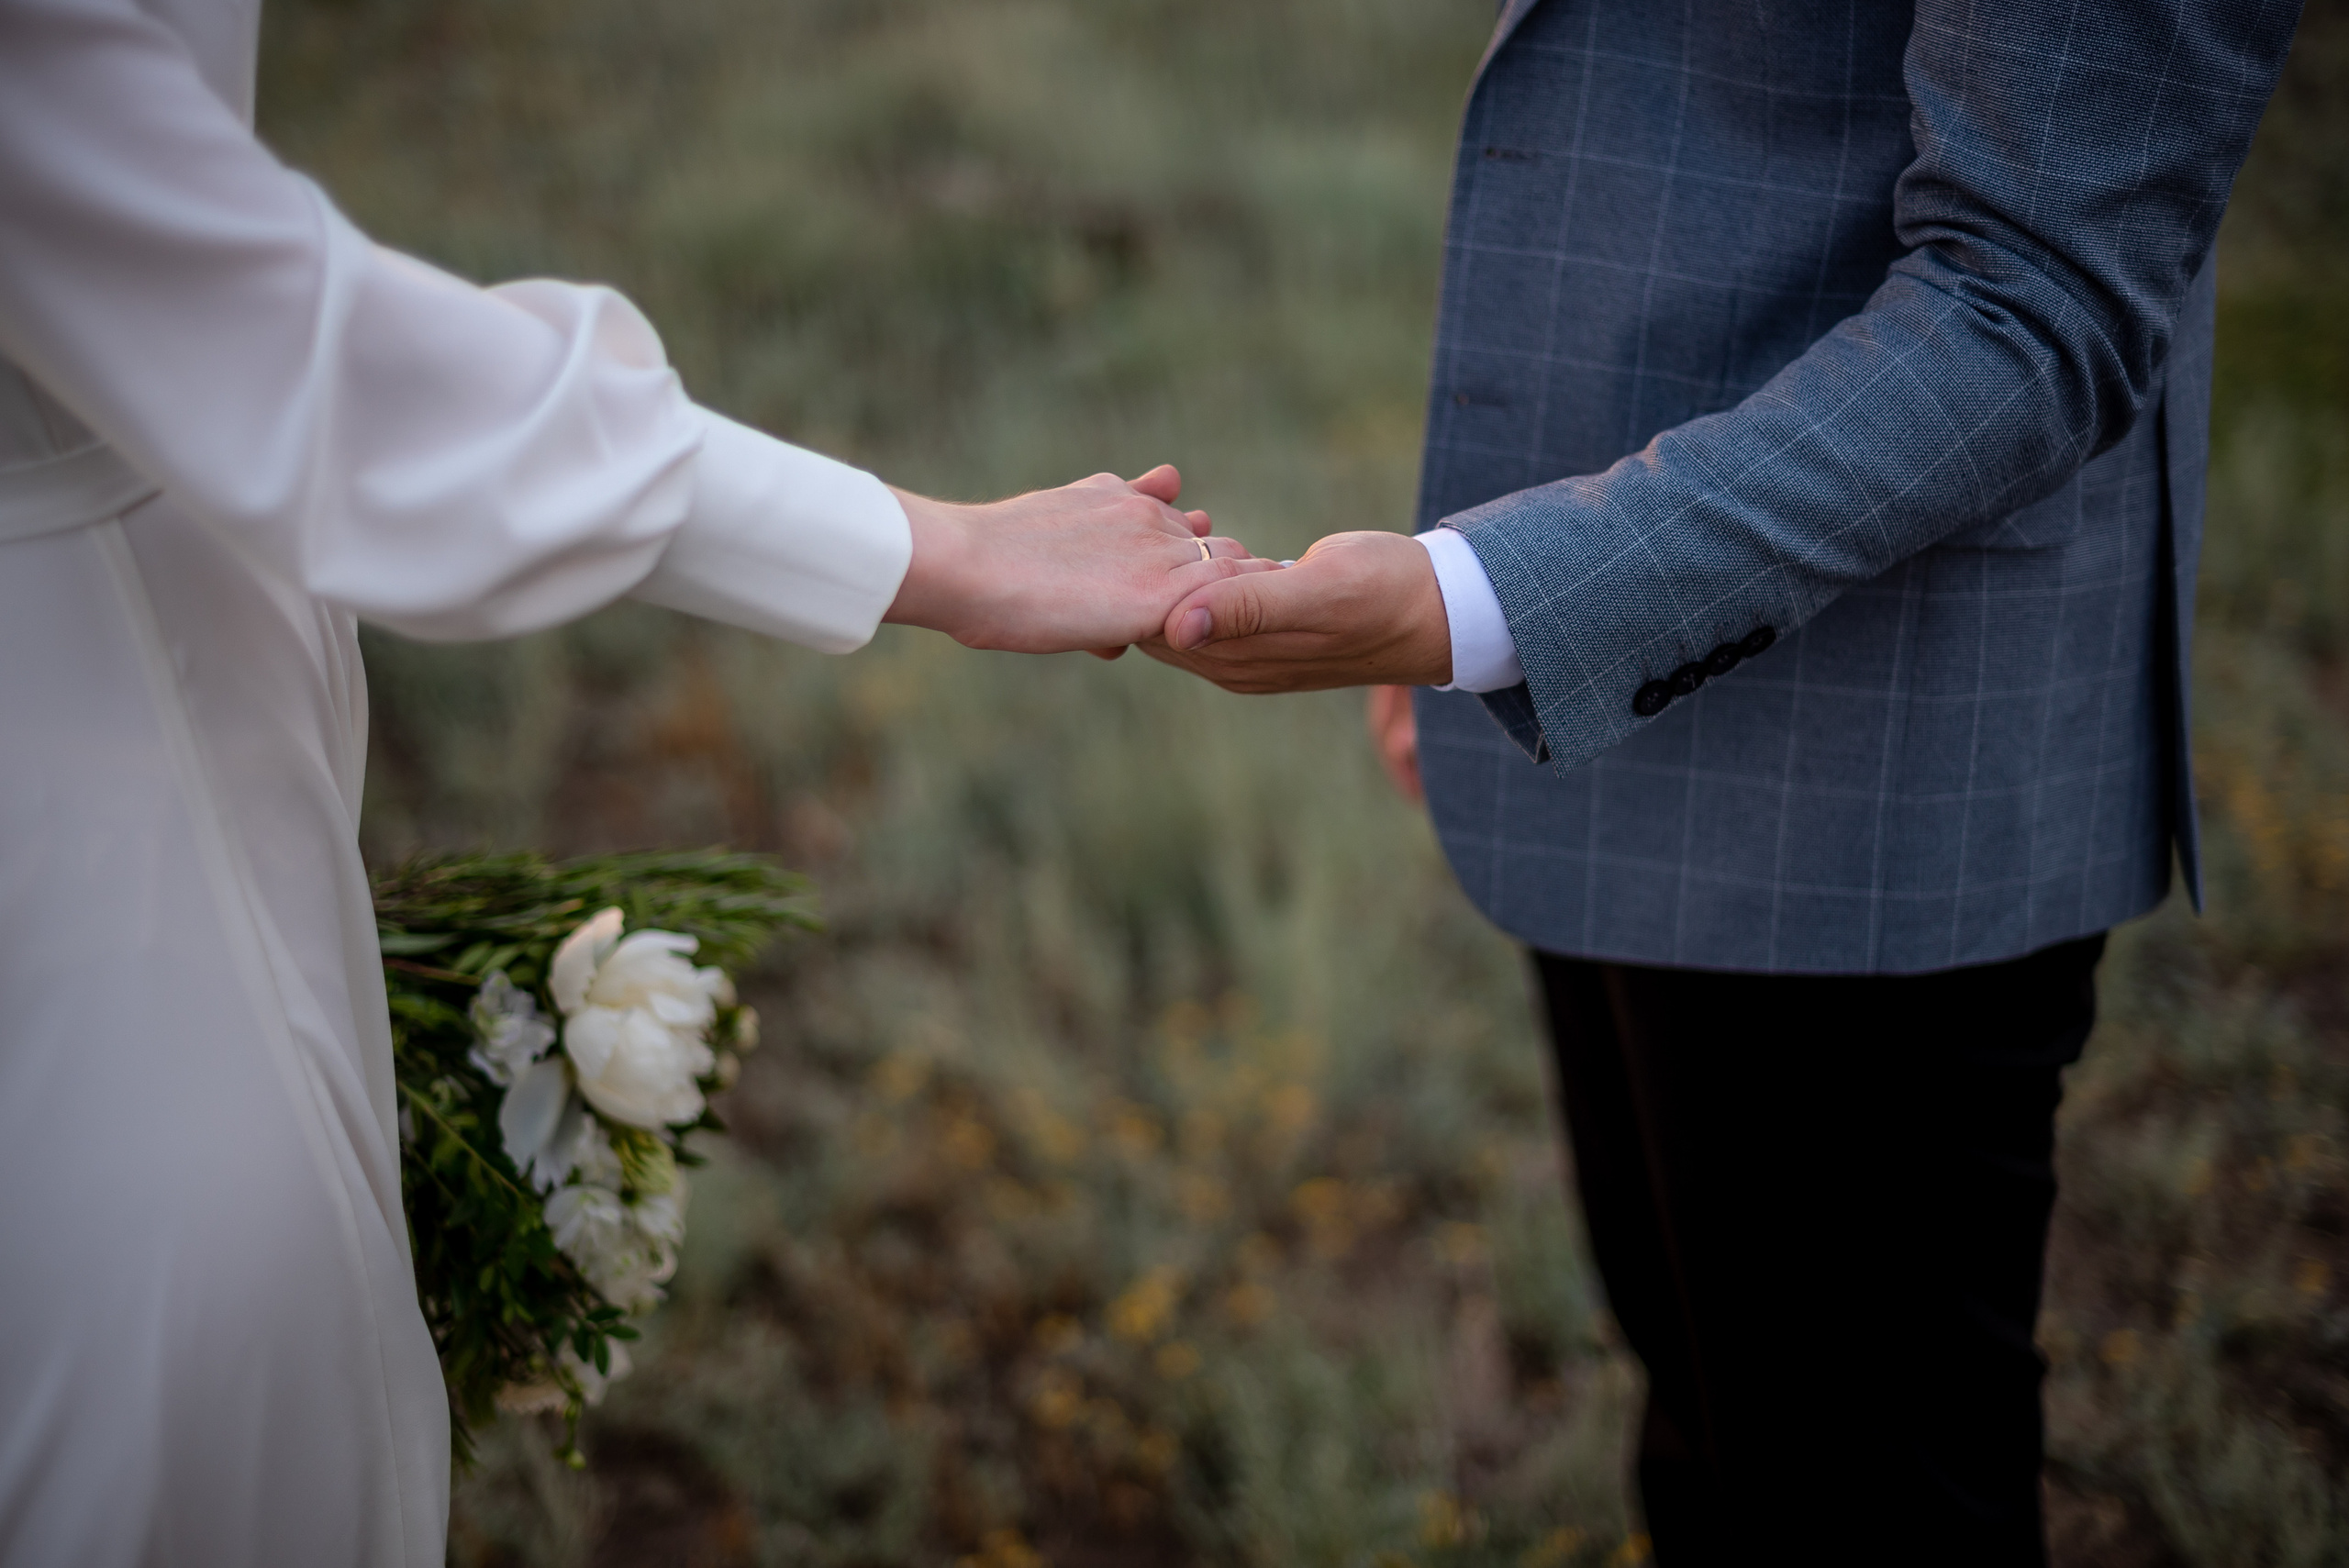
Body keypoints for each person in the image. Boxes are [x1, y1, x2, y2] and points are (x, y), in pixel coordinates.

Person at [0, 0, 1277, 1561]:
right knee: (203, 1382)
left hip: (180, 663)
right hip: (85, 782)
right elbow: (272, 342)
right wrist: (933, 548)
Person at [1149, 0, 2301, 1561]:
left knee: (1865, 1506)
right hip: (1620, 657)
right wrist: (1500, 615)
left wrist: (1497, 598)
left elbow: (2036, 297)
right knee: (1711, 1446)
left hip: (1885, 758)